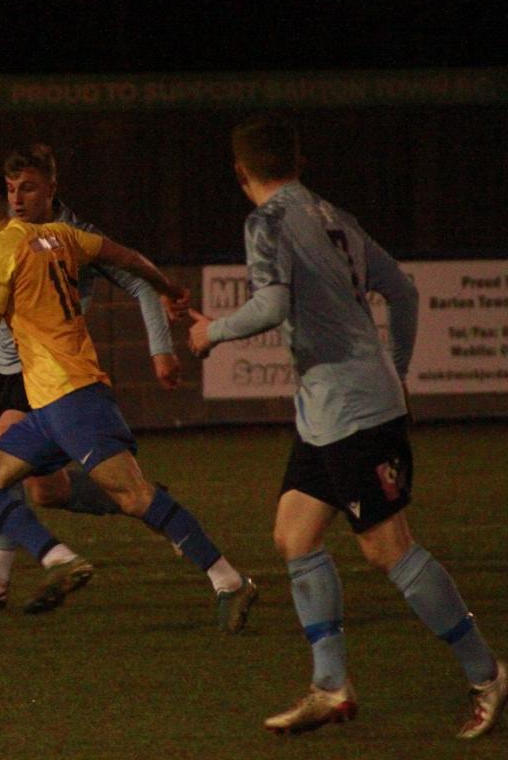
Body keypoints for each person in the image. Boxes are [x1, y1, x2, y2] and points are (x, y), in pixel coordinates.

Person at [188, 113, 505, 739]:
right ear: (298, 163)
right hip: (328, 414)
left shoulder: (267, 222)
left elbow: (271, 305)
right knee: (295, 534)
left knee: (388, 549)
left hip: (352, 410)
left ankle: (487, 672)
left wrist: (211, 333)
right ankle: (331, 684)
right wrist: (399, 371)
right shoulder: (335, 217)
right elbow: (403, 292)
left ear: (240, 171)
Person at [0, 166, 257, 629]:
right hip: (46, 406)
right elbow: (128, 257)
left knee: (135, 497)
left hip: (73, 398)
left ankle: (229, 580)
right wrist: (169, 288)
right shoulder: (60, 234)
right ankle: (59, 560)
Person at [0, 145, 183, 611]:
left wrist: (161, 349)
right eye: (10, 189)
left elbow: (138, 279)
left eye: (28, 189)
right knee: (47, 489)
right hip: (8, 373)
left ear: (52, 189)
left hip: (44, 370)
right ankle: (146, 500)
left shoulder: (74, 237)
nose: (17, 199)